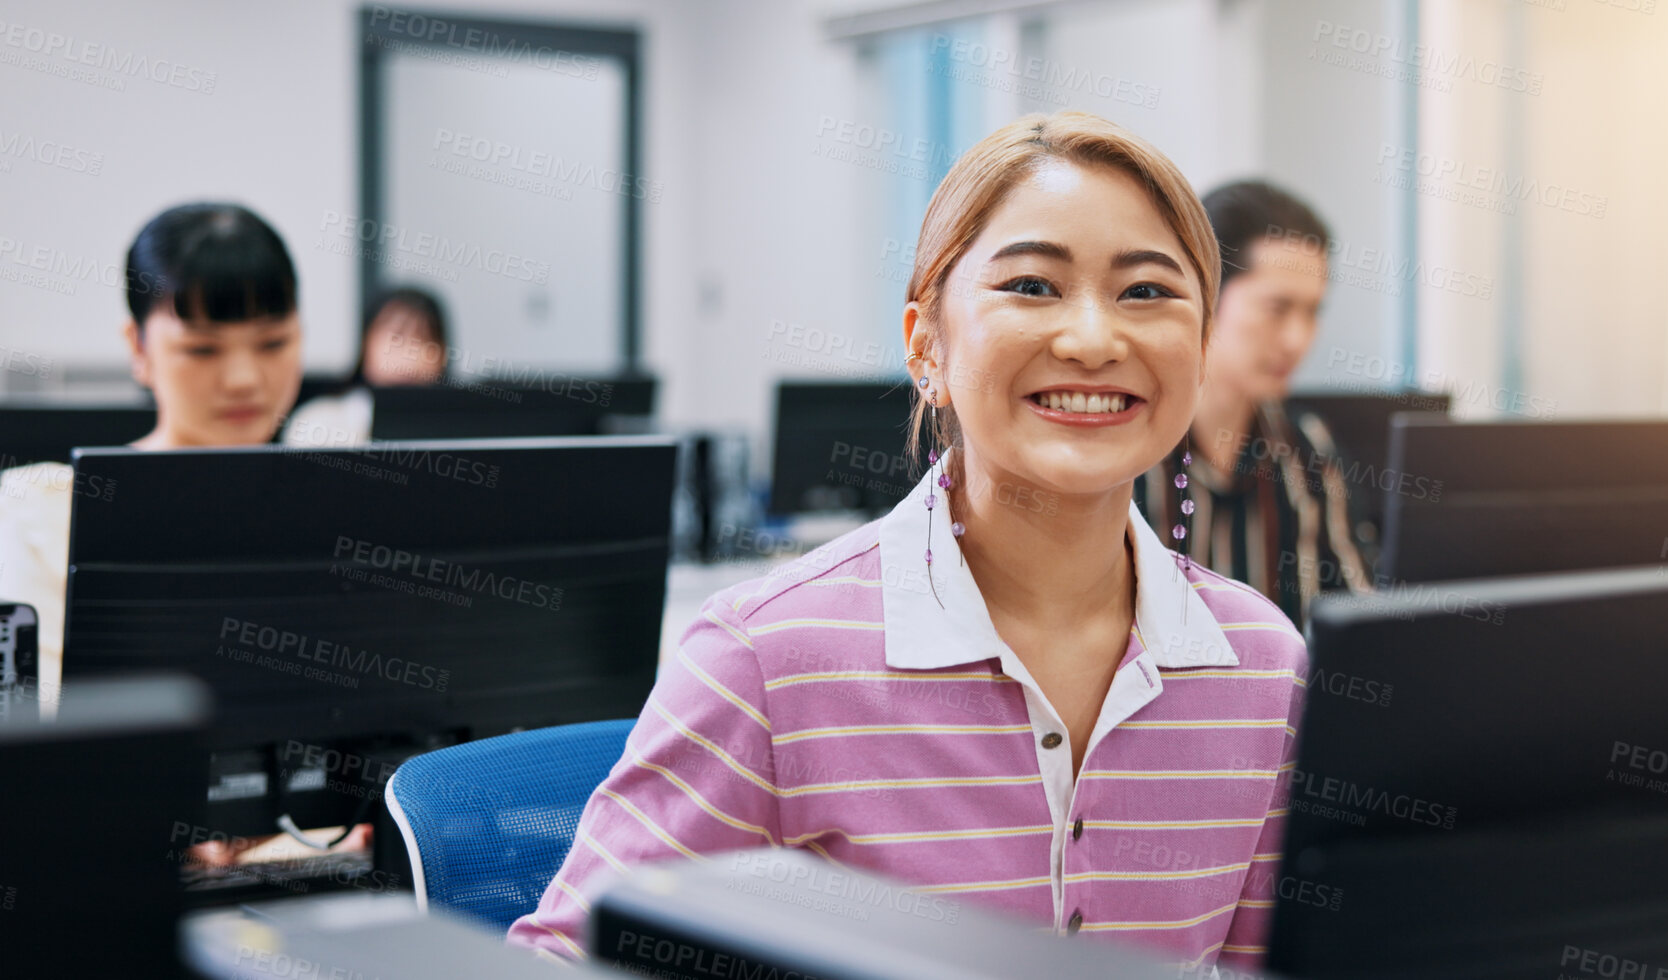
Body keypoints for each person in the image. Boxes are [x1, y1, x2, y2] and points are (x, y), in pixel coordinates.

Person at [506, 112, 1307, 977]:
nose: (1091, 340)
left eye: (1146, 292)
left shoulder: (1262, 668)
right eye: (1032, 286)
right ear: (925, 345)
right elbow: (566, 963)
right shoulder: (767, 660)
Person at [0, 202, 305, 704]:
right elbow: (28, 731)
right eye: (203, 349)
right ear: (138, 347)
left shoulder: (336, 500)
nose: (244, 379)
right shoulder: (48, 508)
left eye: (272, 343)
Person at [1141, 180, 1369, 624]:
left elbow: (1360, 621)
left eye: (1312, 312)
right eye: (1277, 308)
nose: (1297, 340)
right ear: (1206, 294)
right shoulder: (1130, 446)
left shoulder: (1306, 448)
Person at [284, 286, 449, 447]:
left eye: (425, 339)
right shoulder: (317, 423)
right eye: (397, 337)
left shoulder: (461, 426)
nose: (411, 353)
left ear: (443, 355)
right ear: (366, 343)